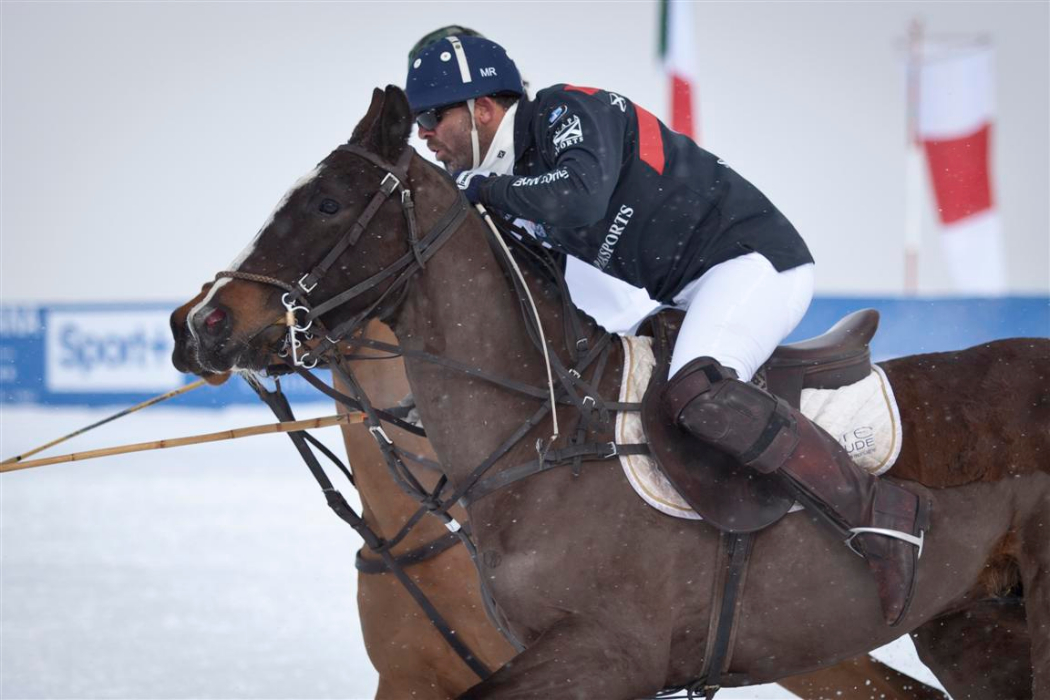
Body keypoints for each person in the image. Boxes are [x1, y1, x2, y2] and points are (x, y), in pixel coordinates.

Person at [404, 35, 929, 626]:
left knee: (698, 392)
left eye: (430, 116)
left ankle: (880, 517)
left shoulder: (565, 112)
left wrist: (478, 190)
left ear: (482, 108)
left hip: (753, 262)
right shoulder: (508, 181)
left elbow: (579, 199)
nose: (421, 134)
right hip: (684, 291)